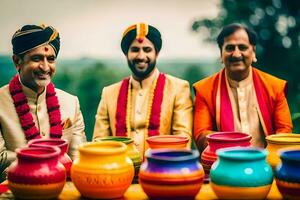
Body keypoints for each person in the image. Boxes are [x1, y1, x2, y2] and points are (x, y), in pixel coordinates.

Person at [0, 24, 87, 180]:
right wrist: (47, 159)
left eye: (51, 59)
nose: (45, 67)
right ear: (17, 62)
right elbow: (1, 159)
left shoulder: (71, 102)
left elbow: (79, 158)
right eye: (36, 58)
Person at [93, 23, 193, 155]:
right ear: (126, 54)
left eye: (147, 50)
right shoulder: (109, 93)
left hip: (163, 169)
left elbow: (182, 142)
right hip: (119, 171)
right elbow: (99, 143)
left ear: (156, 53)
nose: (141, 56)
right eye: (135, 49)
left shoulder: (178, 89)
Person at [193, 23, 293, 153]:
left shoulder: (274, 87)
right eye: (229, 48)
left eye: (242, 47)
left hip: (267, 164)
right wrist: (234, 152)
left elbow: (284, 132)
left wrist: (267, 159)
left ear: (253, 52)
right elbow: (201, 135)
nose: (236, 54)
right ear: (220, 53)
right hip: (223, 166)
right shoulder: (205, 89)